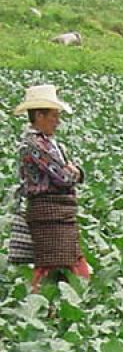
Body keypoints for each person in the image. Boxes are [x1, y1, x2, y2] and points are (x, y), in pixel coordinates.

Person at [13, 85, 89, 294]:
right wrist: (75, 173)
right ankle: (40, 306)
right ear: (39, 115)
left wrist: (74, 172)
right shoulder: (34, 145)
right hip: (47, 212)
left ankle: (60, 305)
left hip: (60, 213)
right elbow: (64, 176)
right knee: (50, 266)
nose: (58, 121)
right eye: (54, 115)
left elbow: (70, 172)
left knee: (69, 262)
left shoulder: (50, 143)